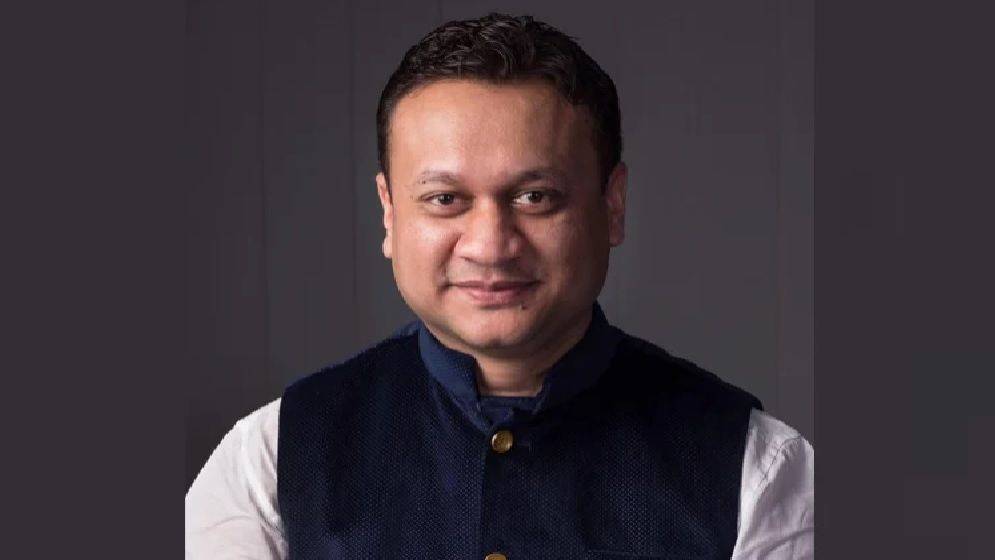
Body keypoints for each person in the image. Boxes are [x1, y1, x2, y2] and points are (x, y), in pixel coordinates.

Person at [185, 13, 813, 560]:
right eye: (445, 199)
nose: (490, 246)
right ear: (389, 213)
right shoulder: (269, 461)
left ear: (613, 206)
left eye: (535, 197)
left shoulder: (758, 470)